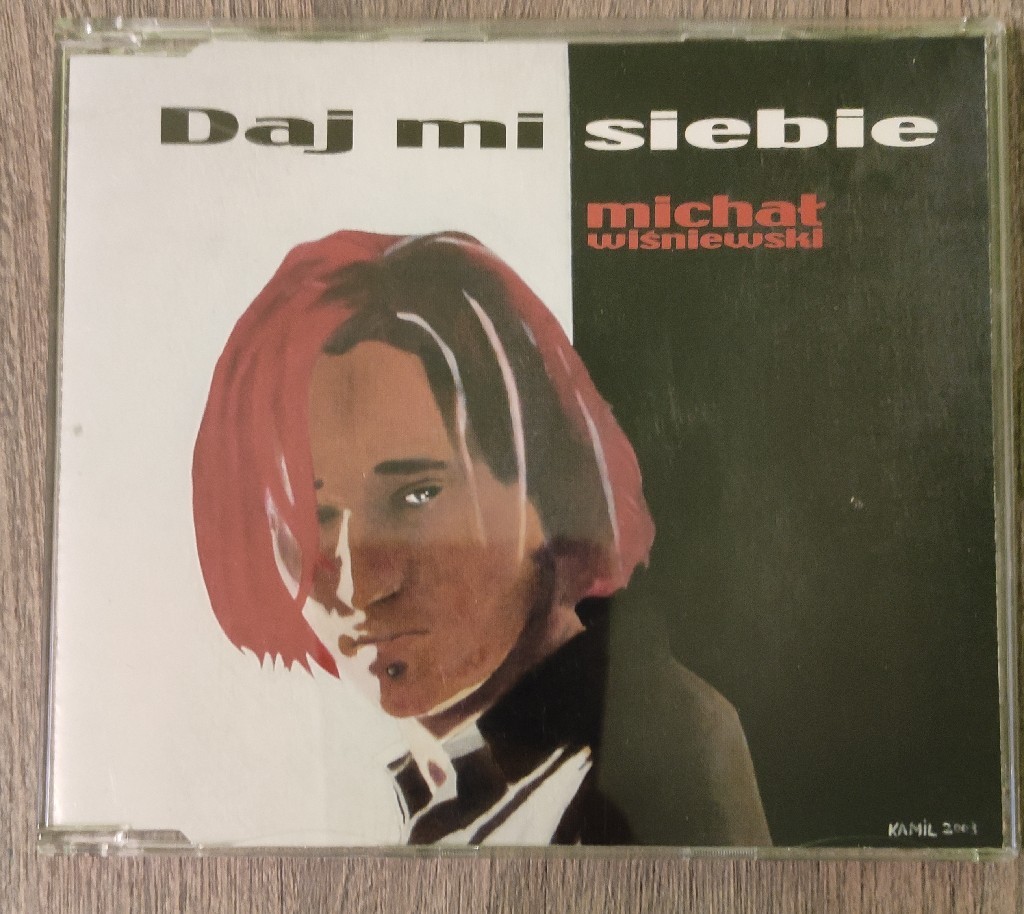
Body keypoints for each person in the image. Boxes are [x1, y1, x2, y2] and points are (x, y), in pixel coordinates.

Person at [192, 230, 771, 846]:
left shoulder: (642, 771)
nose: (361, 586)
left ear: (541, 488)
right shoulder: (464, 776)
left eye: (417, 496)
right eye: (313, 518)